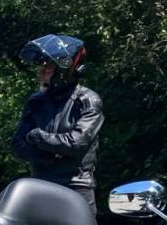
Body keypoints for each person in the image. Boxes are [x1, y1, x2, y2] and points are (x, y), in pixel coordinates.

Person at [10, 32, 104, 211]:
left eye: (48, 66)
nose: (41, 71)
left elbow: (77, 143)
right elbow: (17, 144)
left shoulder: (88, 100)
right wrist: (46, 157)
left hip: (76, 187)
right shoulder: (36, 101)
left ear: (63, 69)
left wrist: (37, 137)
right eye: (41, 66)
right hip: (41, 184)